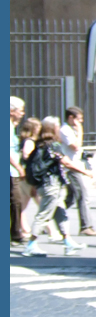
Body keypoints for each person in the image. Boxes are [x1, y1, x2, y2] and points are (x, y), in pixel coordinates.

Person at [22, 119, 91, 257]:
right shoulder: (53, 145)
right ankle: (31, 244)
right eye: (57, 127)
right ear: (53, 129)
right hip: (51, 184)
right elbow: (67, 162)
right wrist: (86, 172)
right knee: (44, 214)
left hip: (48, 183)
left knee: (61, 212)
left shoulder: (40, 145)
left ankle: (68, 242)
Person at [59, 105, 96, 236]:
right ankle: (85, 226)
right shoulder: (65, 130)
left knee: (70, 198)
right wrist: (80, 130)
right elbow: (76, 146)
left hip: (76, 165)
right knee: (83, 195)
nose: (81, 121)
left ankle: (50, 217)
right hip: (70, 168)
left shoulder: (71, 129)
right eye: (79, 119)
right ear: (71, 118)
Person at [18, 117, 42, 237]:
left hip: (25, 175)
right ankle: (50, 230)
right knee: (42, 202)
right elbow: (27, 155)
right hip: (30, 176)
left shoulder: (24, 140)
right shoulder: (29, 141)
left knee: (22, 204)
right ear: (34, 128)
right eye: (38, 127)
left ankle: (24, 228)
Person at [10, 96, 27, 244]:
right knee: (15, 201)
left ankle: (15, 233)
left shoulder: (11, 126)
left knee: (16, 202)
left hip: (12, 171)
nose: (22, 113)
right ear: (11, 111)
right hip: (10, 171)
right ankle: (15, 234)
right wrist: (19, 167)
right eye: (20, 111)